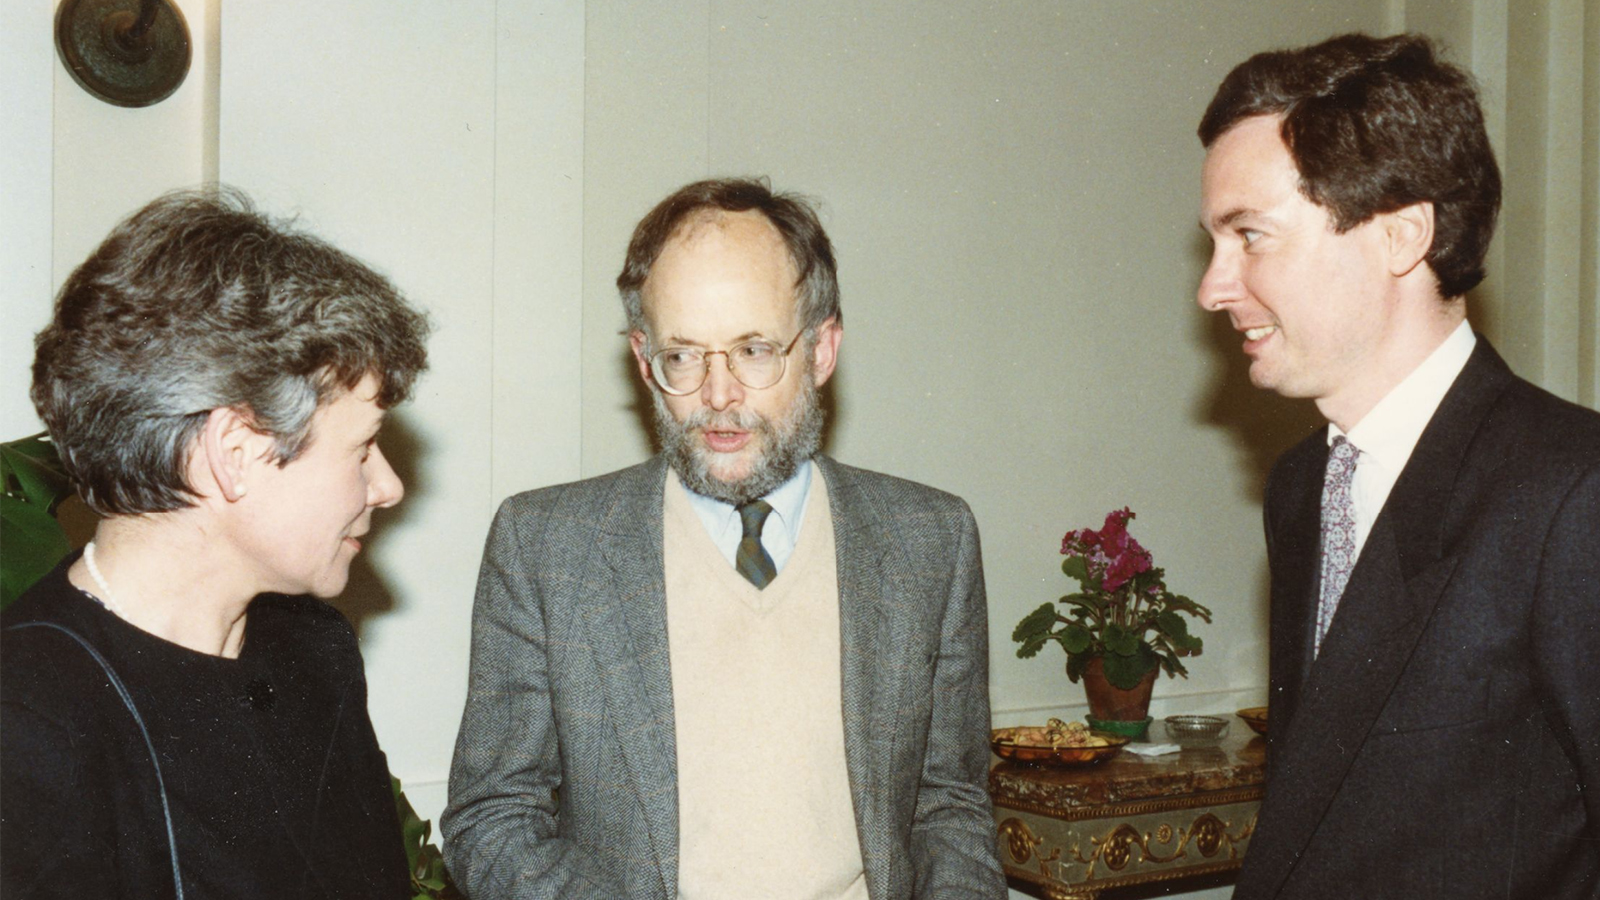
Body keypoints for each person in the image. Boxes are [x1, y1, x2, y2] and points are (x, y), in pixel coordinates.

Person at [442, 178, 1006, 899]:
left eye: (754, 350)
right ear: (643, 360)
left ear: (823, 349)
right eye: (684, 356)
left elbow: (949, 808)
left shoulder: (931, 541)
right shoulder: (546, 548)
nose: (718, 396)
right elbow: (493, 815)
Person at [1196, 33, 1600, 899]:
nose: (1213, 287)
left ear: (1401, 235)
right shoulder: (1302, 488)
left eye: (1251, 237)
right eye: (1214, 244)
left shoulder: (1574, 490)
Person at [2, 189, 430, 898]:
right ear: (235, 451)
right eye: (362, 449)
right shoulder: (26, 716)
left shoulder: (314, 651)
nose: (387, 487)